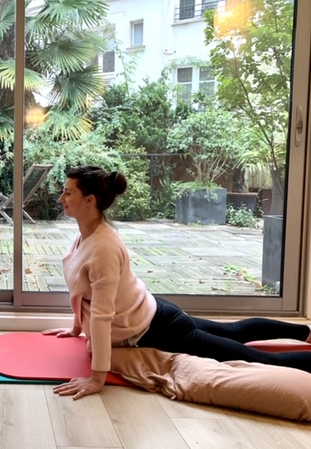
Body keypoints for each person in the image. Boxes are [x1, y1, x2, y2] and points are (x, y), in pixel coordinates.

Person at [43, 165, 311, 400]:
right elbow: (82, 294)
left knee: (254, 357)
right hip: (153, 313)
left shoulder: (103, 248)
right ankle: (306, 333)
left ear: (89, 200)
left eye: (68, 193)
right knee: (232, 332)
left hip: (159, 329)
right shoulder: (84, 237)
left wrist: (96, 379)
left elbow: (102, 316)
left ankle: (305, 336)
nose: (61, 198)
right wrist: (77, 328)